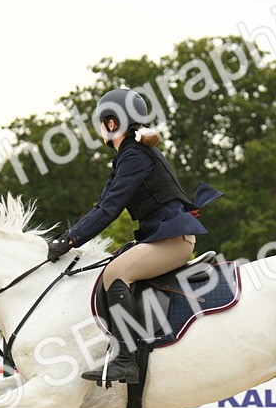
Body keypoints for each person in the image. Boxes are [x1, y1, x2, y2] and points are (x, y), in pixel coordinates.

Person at [45, 88, 218, 385]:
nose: (100, 129)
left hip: (173, 240)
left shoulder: (135, 156)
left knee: (115, 274)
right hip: (162, 237)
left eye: (102, 123)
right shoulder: (127, 156)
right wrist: (68, 236)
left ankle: (125, 360)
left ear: (112, 123)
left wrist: (70, 241)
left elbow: (109, 210)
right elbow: (101, 205)